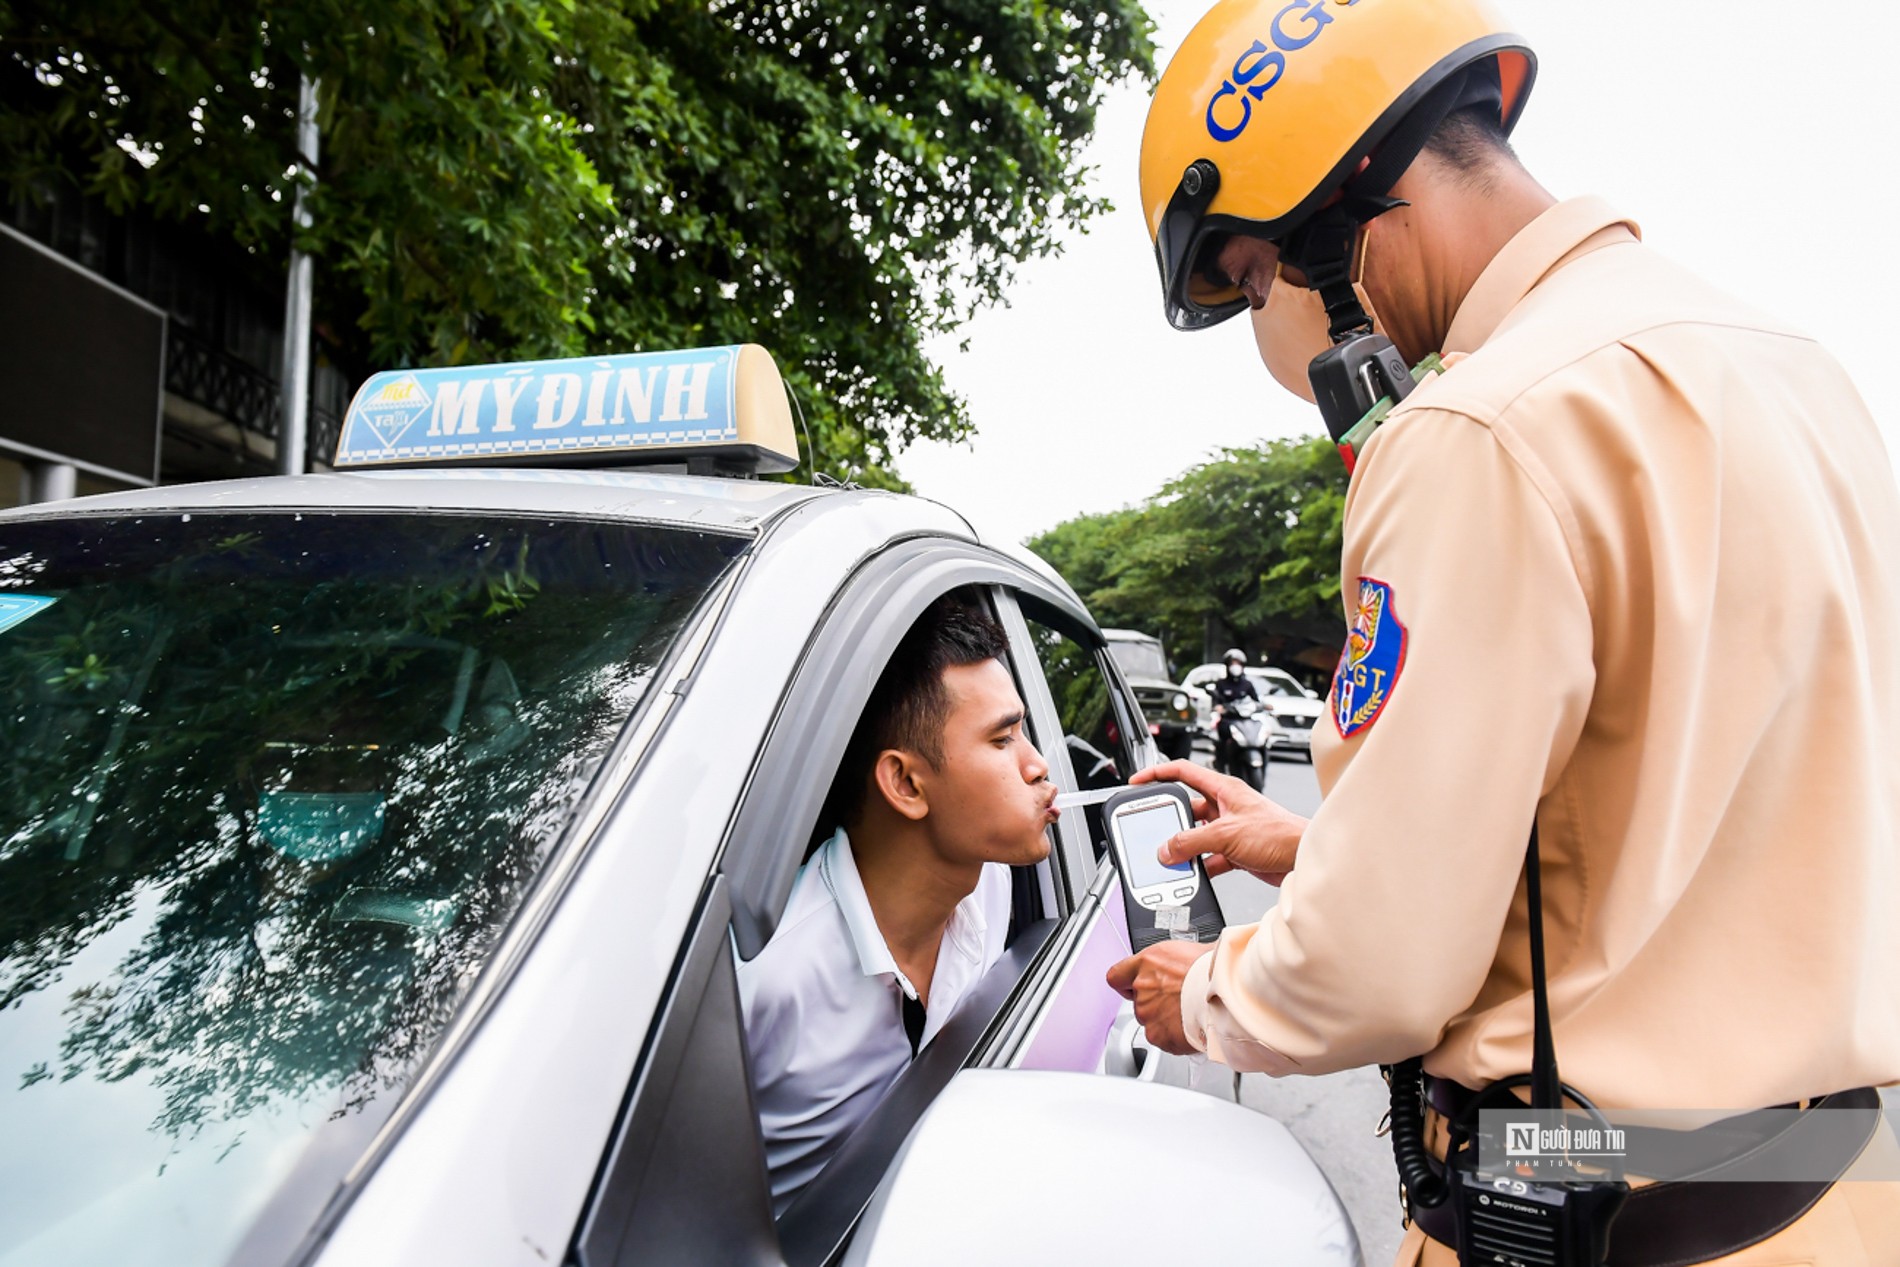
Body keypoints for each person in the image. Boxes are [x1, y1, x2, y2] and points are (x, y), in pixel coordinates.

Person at [1109, 1, 1900, 1262]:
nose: (1267, 319)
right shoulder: (1802, 375)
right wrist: (1317, 852)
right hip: (1844, 1191)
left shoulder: (1475, 431)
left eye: (1254, 275)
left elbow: (1379, 969)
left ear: (1332, 217)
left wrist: (1197, 994)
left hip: (1596, 1205)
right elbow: (1665, 830)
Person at [739, 591, 1057, 1213]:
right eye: (1003, 740)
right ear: (907, 783)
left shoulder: (990, 879)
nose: (1039, 765)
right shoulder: (764, 978)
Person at [1206, 647, 1259, 775]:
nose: (1235, 667)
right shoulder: (1221, 684)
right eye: (1233, 663)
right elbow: (1215, 702)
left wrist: (1264, 706)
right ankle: (1221, 765)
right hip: (1228, 720)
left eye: (1238, 664)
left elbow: (1256, 701)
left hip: (1244, 720)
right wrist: (1218, 708)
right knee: (1223, 736)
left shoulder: (1247, 685)